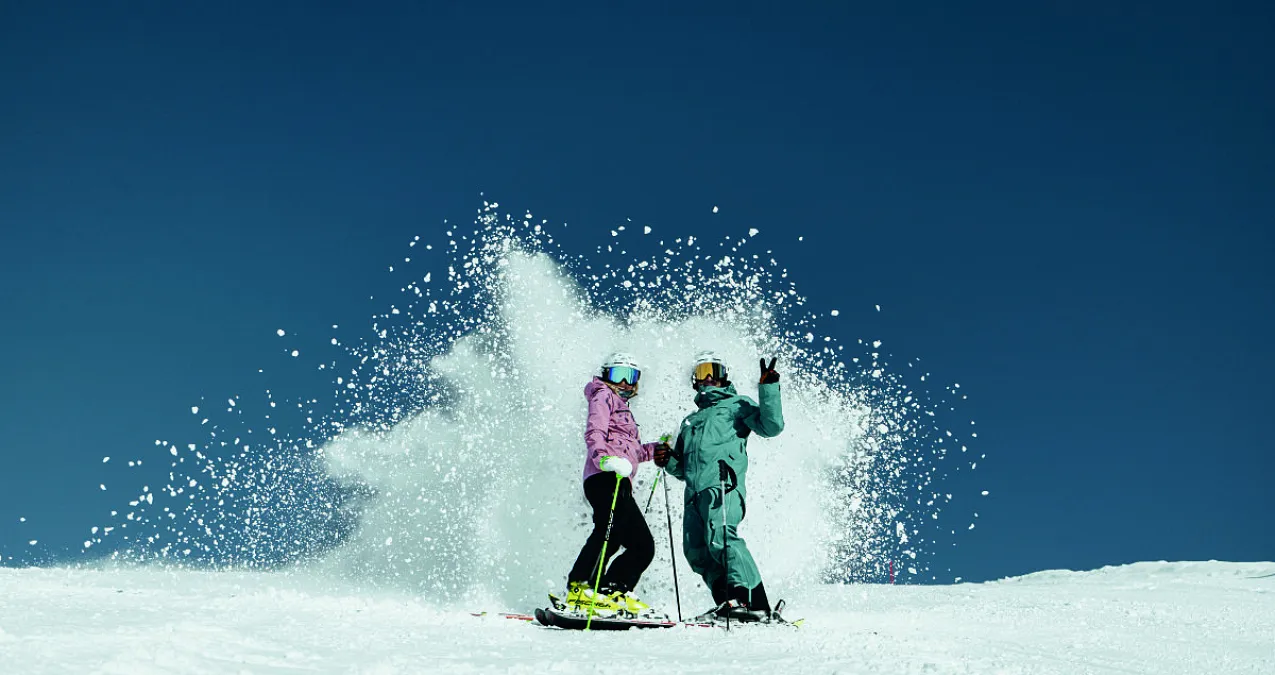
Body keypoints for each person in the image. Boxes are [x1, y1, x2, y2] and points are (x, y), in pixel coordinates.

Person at [654, 351, 784, 621]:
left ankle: (754, 602)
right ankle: (728, 601)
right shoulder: (689, 422)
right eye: (703, 372)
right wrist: (667, 460)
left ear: (725, 376)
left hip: (723, 484)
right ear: (695, 380)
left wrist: (768, 388)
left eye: (715, 370)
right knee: (697, 552)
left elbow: (771, 426)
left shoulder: (737, 405)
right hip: (694, 495)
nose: (710, 377)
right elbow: (683, 468)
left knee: (722, 537)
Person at [564, 352, 670, 616]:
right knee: (608, 532)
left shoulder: (627, 415)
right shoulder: (602, 396)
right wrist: (604, 460)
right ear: (605, 375)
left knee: (642, 545)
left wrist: (654, 449)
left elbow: (632, 452)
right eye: (617, 375)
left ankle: (612, 590)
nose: (624, 383)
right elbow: (594, 432)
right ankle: (581, 587)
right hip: (604, 476)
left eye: (631, 377)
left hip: (621, 479)